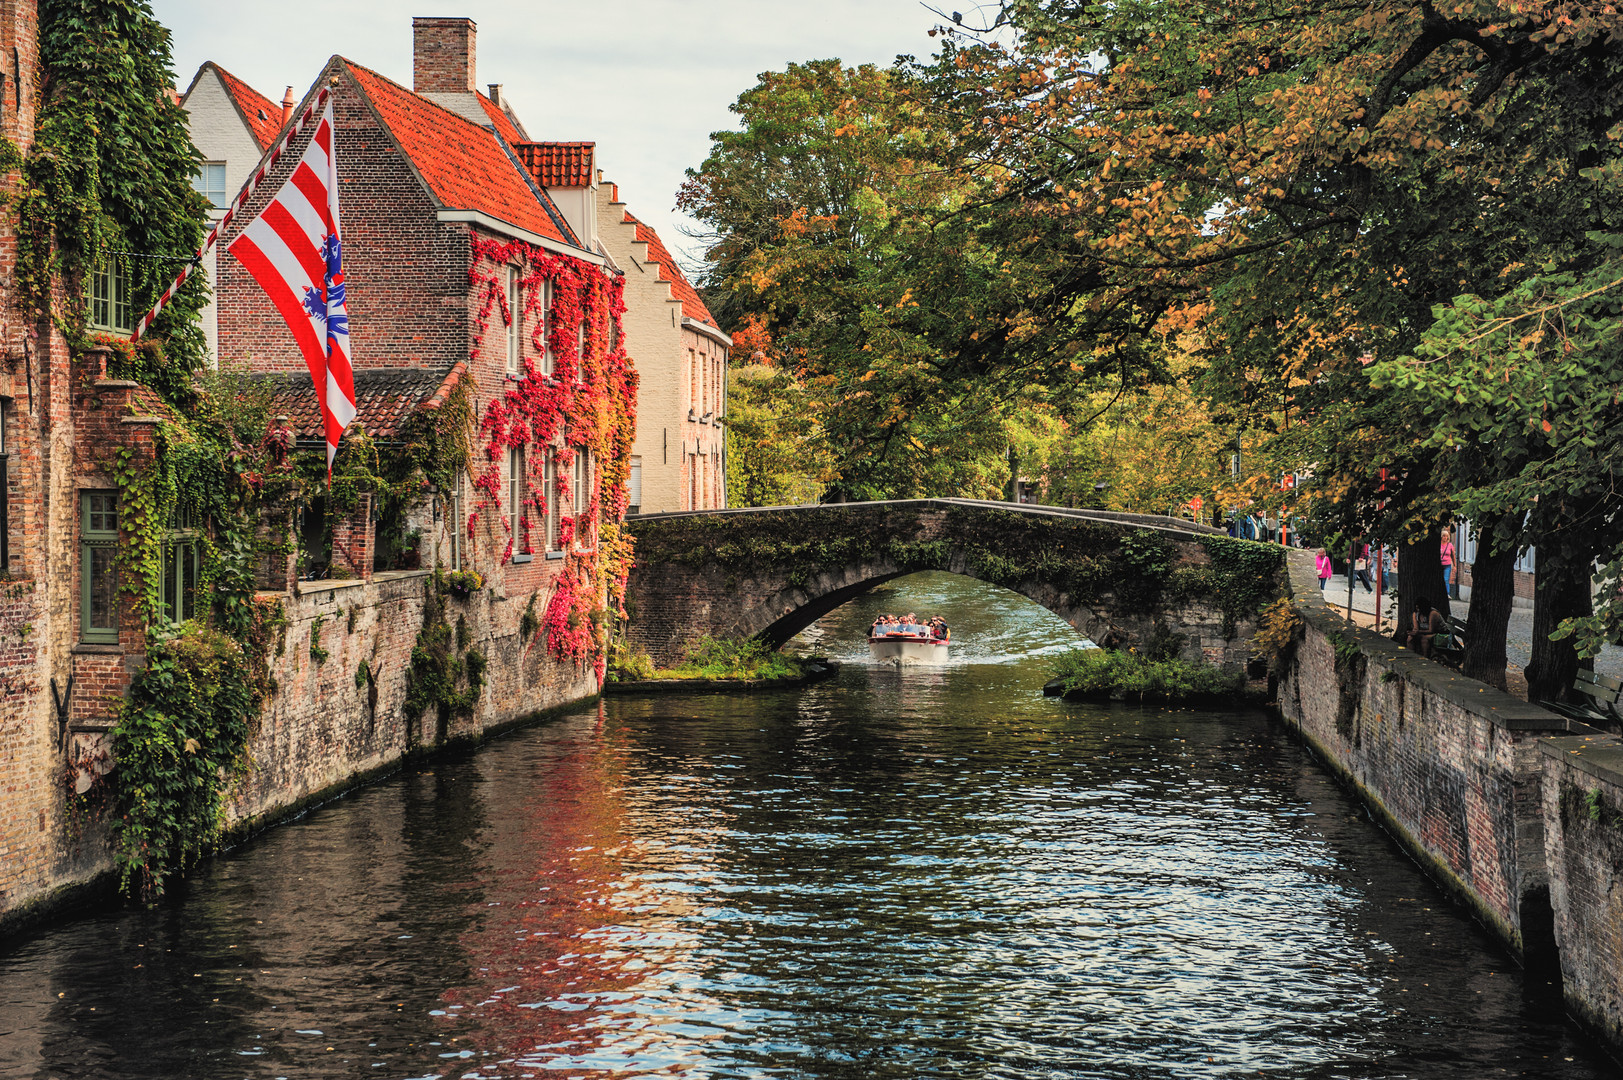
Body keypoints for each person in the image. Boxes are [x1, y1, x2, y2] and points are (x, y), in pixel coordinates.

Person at [1440, 532, 1457, 597]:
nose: (1445, 537)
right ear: (1441, 536)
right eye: (1444, 536)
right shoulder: (1439, 545)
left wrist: (1455, 565)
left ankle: (1447, 593)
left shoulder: (1450, 545)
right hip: (1440, 564)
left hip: (1447, 564)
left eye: (1446, 536)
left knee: (1446, 579)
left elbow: (1453, 556)